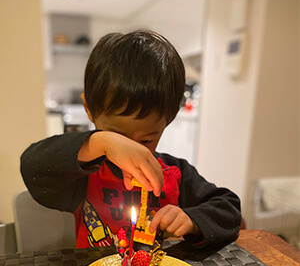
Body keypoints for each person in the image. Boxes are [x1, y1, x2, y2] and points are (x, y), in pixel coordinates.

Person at [21, 30, 241, 251]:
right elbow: (33, 167)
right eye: (118, 138)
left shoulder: (174, 173)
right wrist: (101, 144)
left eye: (146, 140)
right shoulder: (84, 175)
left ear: (169, 119)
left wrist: (191, 219)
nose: (133, 151)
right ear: (89, 110)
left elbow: (230, 210)